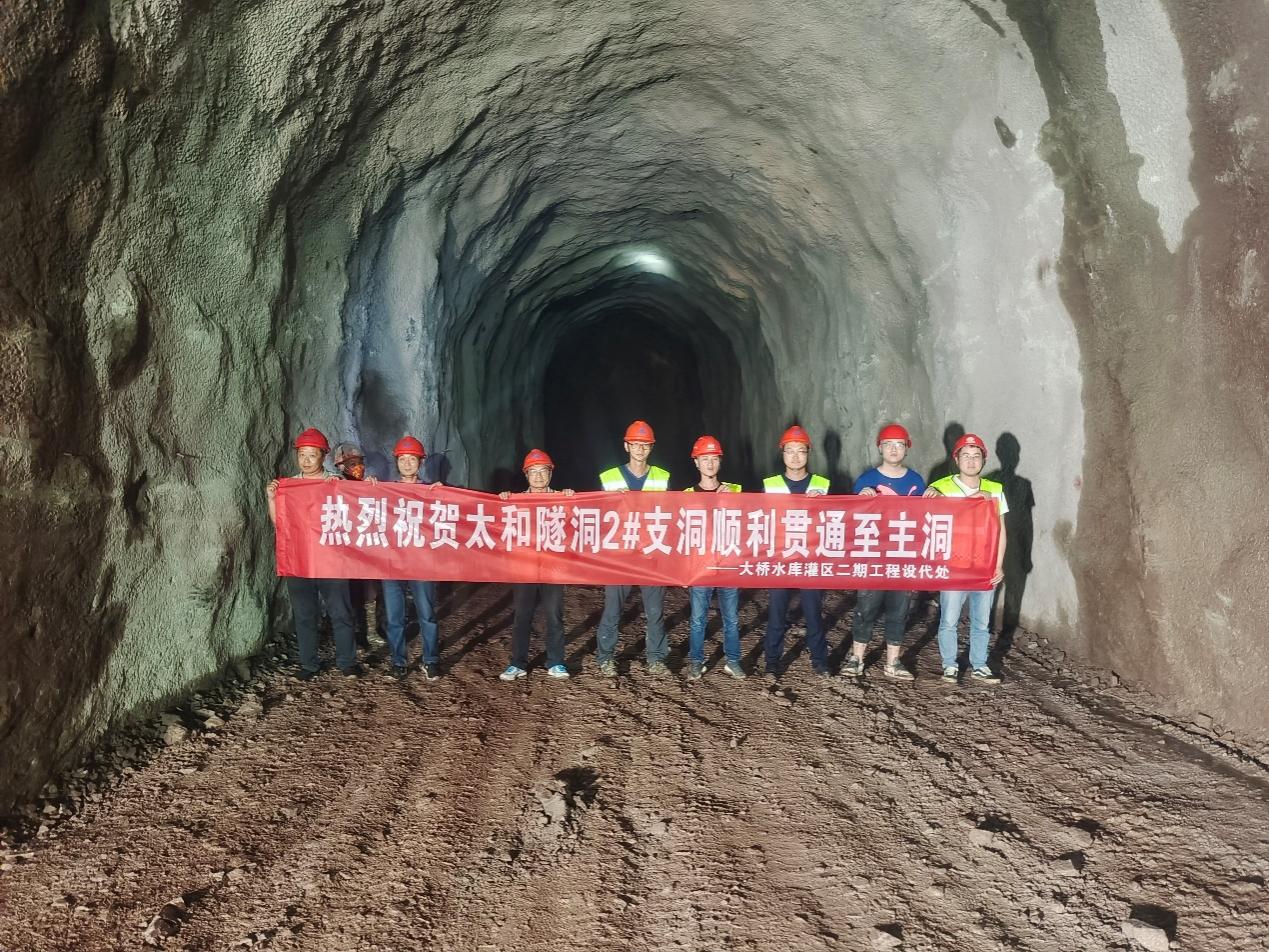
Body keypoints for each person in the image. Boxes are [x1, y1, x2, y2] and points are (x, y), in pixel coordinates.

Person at [265, 427, 362, 680]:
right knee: (305, 615)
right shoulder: (289, 486)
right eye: (302, 455)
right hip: (300, 560)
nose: (306, 460)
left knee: (341, 612)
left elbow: (354, 516)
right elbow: (280, 524)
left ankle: (347, 662)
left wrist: (341, 490)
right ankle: (309, 665)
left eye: (312, 455)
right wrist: (272, 498)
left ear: (323, 456)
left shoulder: (337, 482)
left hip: (331, 560)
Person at [843, 423, 926, 680]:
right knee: (866, 607)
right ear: (879, 448)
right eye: (888, 444)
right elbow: (850, 519)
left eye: (899, 444)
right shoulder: (866, 480)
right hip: (872, 557)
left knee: (899, 609)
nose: (893, 449)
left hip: (902, 556)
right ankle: (857, 658)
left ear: (906, 449)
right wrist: (861, 499)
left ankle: (893, 662)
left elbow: (924, 518)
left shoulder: (916, 481)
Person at [925, 433, 1007, 684]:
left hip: (983, 564)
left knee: (982, 620)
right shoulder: (941, 487)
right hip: (954, 564)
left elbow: (1001, 529)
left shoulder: (995, 489)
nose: (971, 461)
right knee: (949, 619)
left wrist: (998, 564)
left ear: (984, 460)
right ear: (956, 459)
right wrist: (933, 493)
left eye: (976, 456)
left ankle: (979, 665)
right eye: (966, 456)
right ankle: (949, 665)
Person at [595, 420, 671, 677]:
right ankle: (606, 658)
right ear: (626, 446)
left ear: (651, 447)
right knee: (613, 609)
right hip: (620, 554)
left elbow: (672, 512)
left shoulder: (662, 477)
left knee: (655, 610)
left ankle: (656, 659)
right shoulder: (609, 478)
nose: (640, 449)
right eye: (635, 444)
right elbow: (596, 513)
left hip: (651, 552)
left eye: (645, 445)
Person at [497, 449, 575, 681]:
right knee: (522, 616)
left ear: (551, 473)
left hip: (553, 568)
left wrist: (572, 500)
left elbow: (576, 524)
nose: (539, 476)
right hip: (525, 567)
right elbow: (497, 524)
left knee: (554, 615)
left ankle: (556, 662)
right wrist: (501, 501)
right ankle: (517, 663)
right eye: (533, 472)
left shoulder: (562, 499)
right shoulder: (516, 501)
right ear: (526, 475)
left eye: (543, 471)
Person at [762, 425, 831, 679]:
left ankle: (820, 661)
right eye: (790, 451)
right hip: (781, 556)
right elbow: (761, 519)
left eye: (800, 451)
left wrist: (822, 504)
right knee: (777, 612)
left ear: (808, 453)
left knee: (813, 612)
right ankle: (772, 662)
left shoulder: (822, 484)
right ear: (782, 453)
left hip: (811, 557)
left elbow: (835, 520)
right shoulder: (770, 485)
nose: (795, 456)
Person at [381, 435, 442, 681]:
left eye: (412, 459)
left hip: (422, 563)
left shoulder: (431, 491)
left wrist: (442, 495)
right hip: (392, 563)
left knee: (427, 614)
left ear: (420, 462)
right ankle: (398, 662)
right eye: (402, 459)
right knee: (394, 617)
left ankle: (431, 660)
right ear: (396, 462)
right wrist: (369, 489)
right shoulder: (385, 491)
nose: (407, 464)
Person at [684, 436, 745, 680]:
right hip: (701, 565)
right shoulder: (687, 495)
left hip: (728, 563)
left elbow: (750, 522)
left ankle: (733, 660)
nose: (709, 463)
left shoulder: (736, 491)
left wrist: (731, 500)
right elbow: (683, 533)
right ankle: (696, 661)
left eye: (714, 458)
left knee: (731, 618)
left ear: (720, 461)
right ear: (696, 462)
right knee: (698, 619)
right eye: (704, 458)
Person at [333, 441, 384, 652]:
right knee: (351, 593)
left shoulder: (368, 486)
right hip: (346, 552)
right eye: (352, 463)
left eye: (360, 462)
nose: (358, 467)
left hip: (367, 549)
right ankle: (357, 634)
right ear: (341, 466)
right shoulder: (334, 486)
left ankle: (372, 631)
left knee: (371, 591)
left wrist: (374, 489)